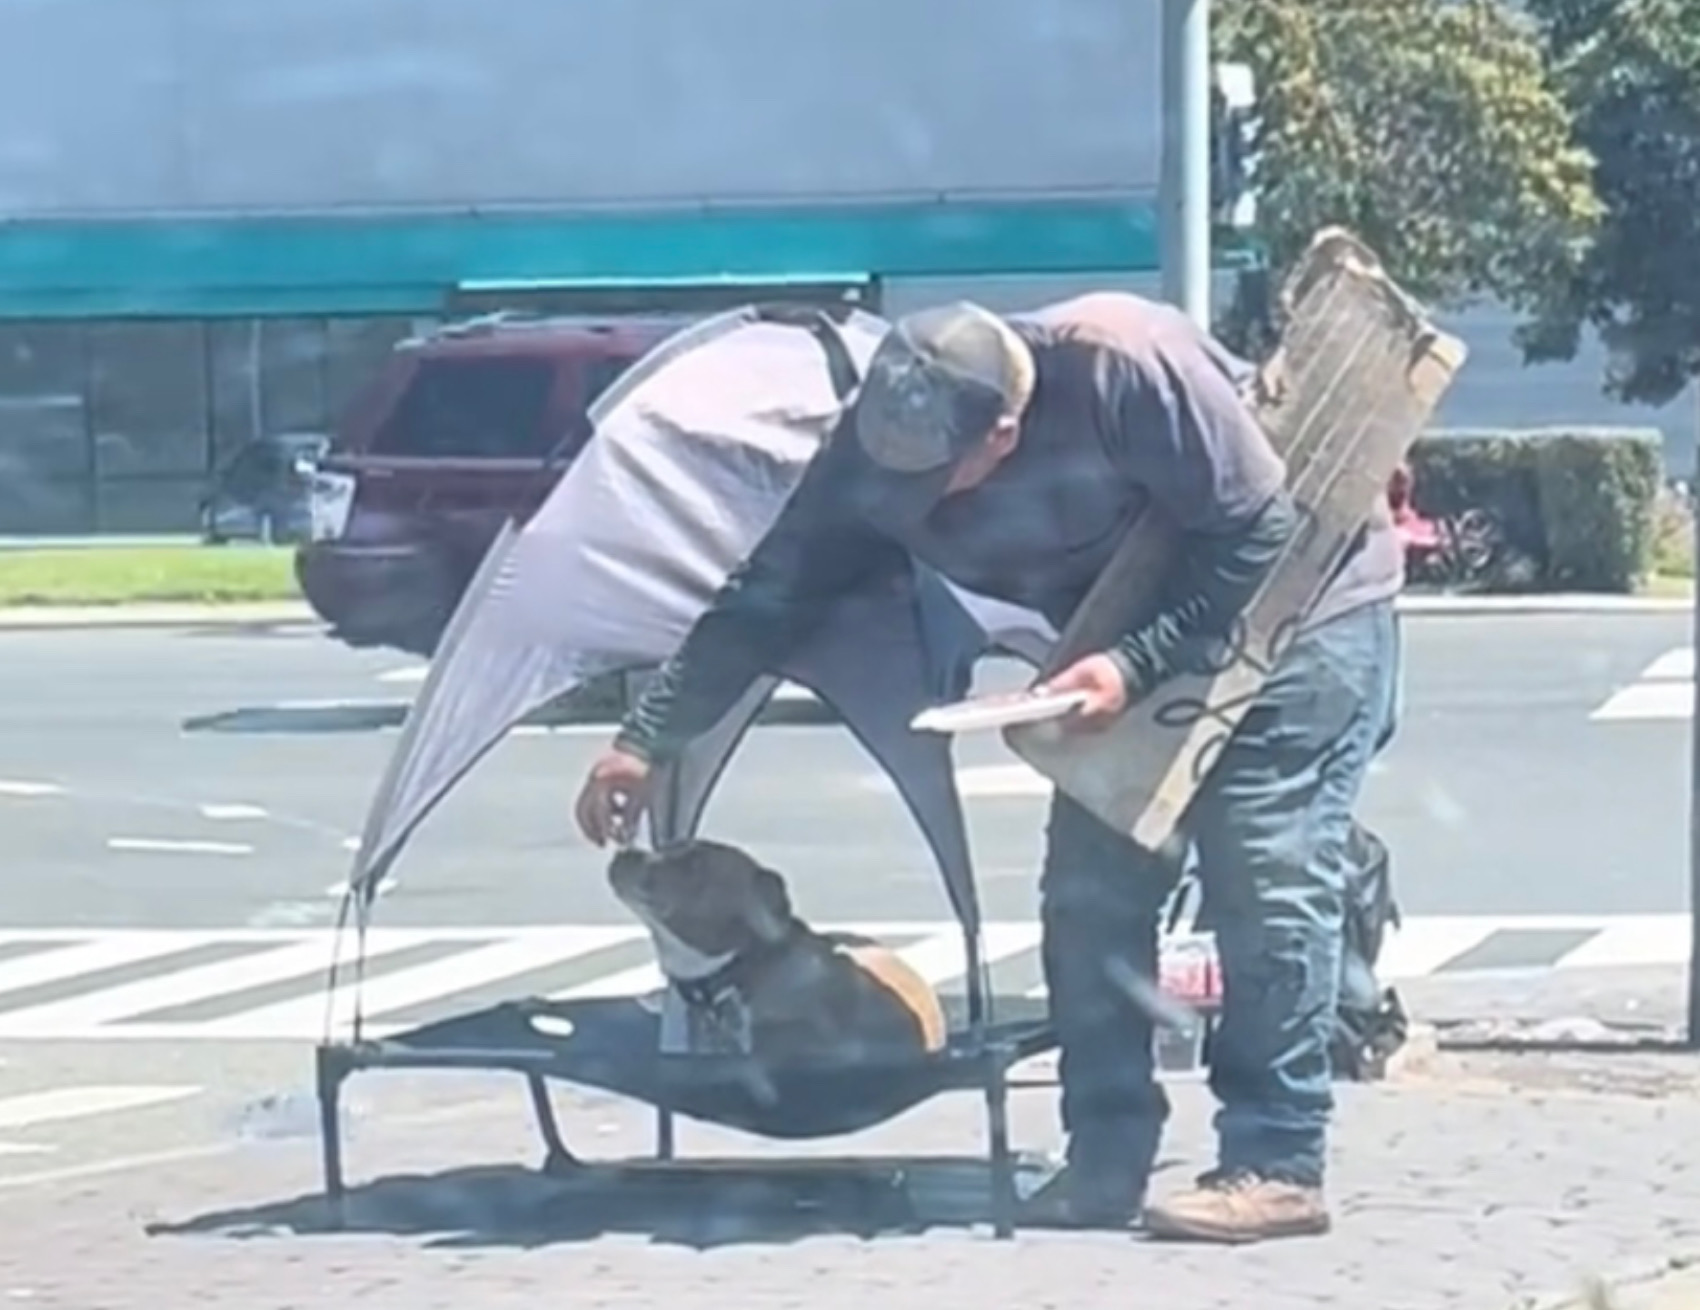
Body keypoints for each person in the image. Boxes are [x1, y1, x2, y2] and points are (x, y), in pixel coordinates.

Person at [573, 295, 1402, 1243]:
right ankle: (1106, 1160)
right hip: (1119, 636)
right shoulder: (881, 439)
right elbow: (777, 587)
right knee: (1091, 892)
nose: (918, 498)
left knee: (1263, 869)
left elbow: (1260, 534)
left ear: (1005, 430)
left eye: (942, 475)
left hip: (1300, 610)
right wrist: (647, 735)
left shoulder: (1126, 364)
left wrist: (1132, 666)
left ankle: (1276, 1160)